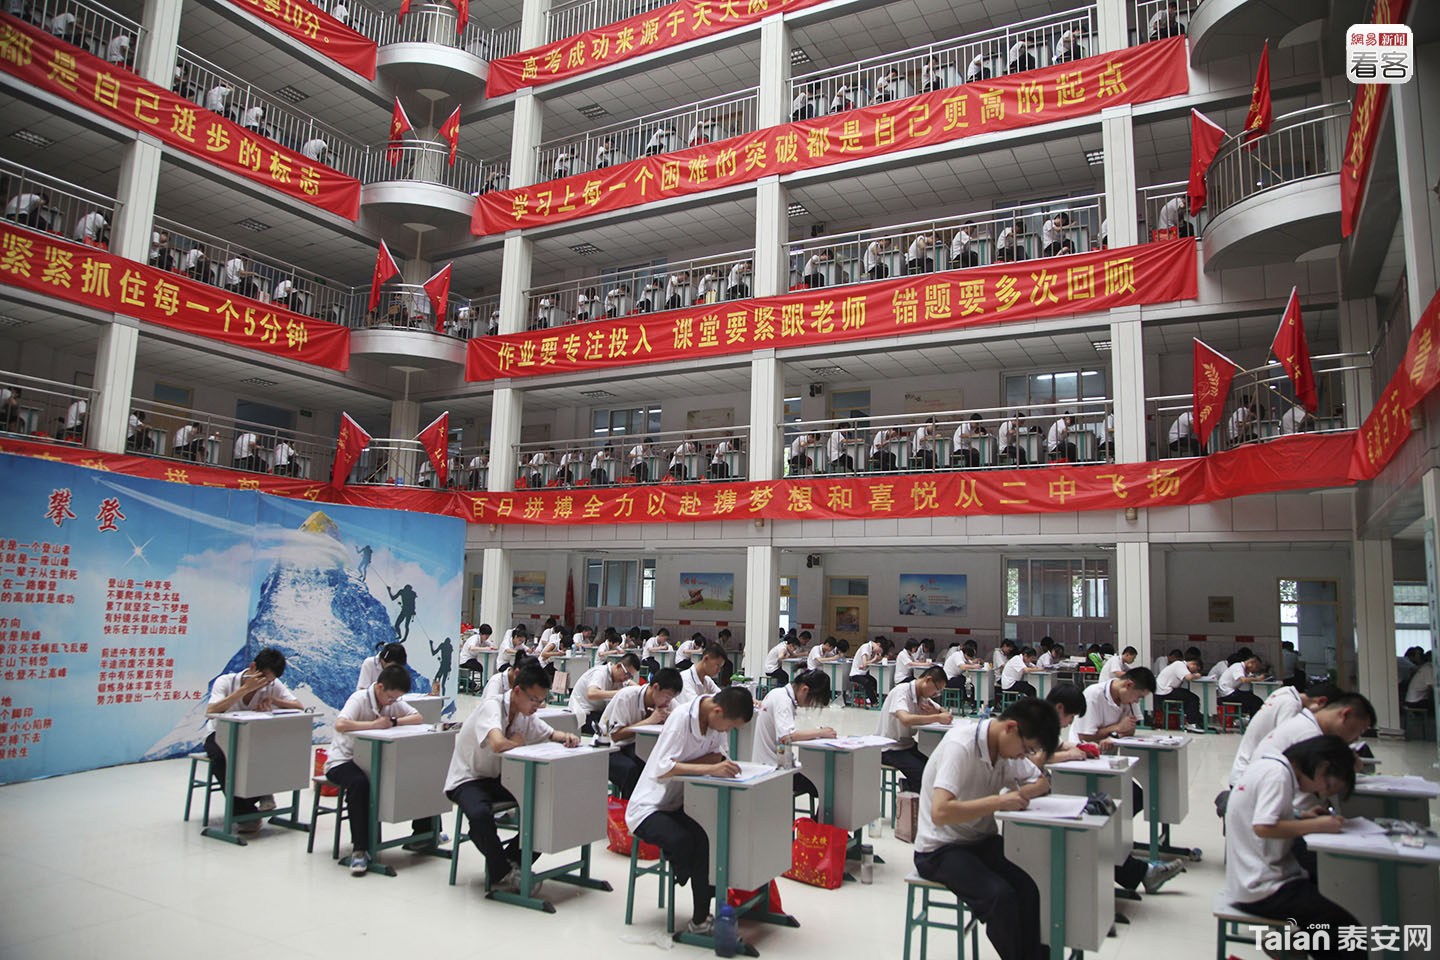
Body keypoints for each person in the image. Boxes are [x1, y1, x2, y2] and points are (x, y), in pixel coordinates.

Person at [913, 698, 1059, 960]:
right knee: (1000, 898)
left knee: (1028, 890)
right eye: (1026, 749)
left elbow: (1041, 781)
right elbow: (940, 812)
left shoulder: (1005, 748)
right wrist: (1000, 801)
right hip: (940, 849)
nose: (1022, 756)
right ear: (1010, 727)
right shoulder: (961, 746)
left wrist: (1020, 794)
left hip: (981, 841)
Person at [626, 687, 754, 937]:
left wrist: (702, 765)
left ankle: (699, 919)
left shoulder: (715, 724)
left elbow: (718, 758)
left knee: (706, 840)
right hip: (648, 807)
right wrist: (706, 766)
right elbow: (663, 769)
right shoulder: (681, 719)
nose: (727, 732)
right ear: (718, 711)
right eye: (729, 726)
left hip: (677, 804)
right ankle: (685, 873)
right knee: (684, 842)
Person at [1223, 735, 1363, 960]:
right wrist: (1317, 825)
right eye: (1327, 785)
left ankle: (1292, 945)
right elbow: (1263, 827)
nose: (1321, 793)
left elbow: (1263, 814)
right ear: (1321, 767)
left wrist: (1301, 816)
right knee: (1346, 929)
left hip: (1250, 879)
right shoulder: (1278, 775)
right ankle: (1292, 945)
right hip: (1263, 888)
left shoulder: (1270, 766)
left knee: (1331, 900)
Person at [445, 664, 581, 893]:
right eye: (534, 700)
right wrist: (517, 742)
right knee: (479, 815)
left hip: (495, 779)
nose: (537, 706)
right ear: (517, 691)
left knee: (545, 804)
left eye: (541, 701)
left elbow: (549, 733)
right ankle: (503, 871)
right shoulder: (493, 706)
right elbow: (497, 744)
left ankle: (507, 861)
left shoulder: (525, 713)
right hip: (467, 779)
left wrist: (566, 737)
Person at [1046, 686, 1187, 895]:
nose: (1070, 723)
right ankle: (1141, 873)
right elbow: (1037, 757)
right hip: (1042, 792)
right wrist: (1070, 754)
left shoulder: (1045, 723)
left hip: (1049, 787)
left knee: (1105, 815)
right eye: (1071, 717)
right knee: (1091, 824)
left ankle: (1140, 871)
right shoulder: (1036, 722)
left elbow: (1058, 745)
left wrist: (1078, 748)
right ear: (1059, 708)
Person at [326, 664, 431, 874]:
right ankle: (360, 849)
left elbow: (418, 717)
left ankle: (425, 834)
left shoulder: (393, 701)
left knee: (416, 772)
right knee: (359, 784)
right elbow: (341, 724)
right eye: (390, 698)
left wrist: (393, 721)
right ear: (380, 687)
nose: (392, 702)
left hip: (371, 760)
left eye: (396, 699)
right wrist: (372, 725)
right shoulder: (359, 699)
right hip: (344, 760)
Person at [203, 647, 302, 832]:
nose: (264, 684)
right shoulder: (225, 681)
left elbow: (298, 706)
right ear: (252, 667)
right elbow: (211, 711)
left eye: (269, 681)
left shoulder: (272, 685)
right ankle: (244, 813)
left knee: (269, 751)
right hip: (219, 732)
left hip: (252, 735)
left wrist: (274, 701)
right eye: (262, 678)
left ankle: (262, 793)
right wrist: (244, 690)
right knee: (221, 758)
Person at [1226, 682, 1345, 791]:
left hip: (1243, 770)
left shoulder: (1284, 694)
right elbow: (1288, 746)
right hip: (1248, 777)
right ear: (1321, 702)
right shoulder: (1291, 705)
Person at [753, 670, 835, 808]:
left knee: (822, 785)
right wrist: (820, 732)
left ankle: (815, 821)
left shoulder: (779, 694)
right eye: (811, 702)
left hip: (775, 764)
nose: (809, 706)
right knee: (827, 790)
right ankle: (816, 822)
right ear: (804, 690)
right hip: (773, 770)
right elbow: (786, 737)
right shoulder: (783, 700)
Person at [600, 666, 682, 797]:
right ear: (655, 687)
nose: (668, 702)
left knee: (650, 764)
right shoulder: (626, 696)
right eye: (667, 697)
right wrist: (650, 721)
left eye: (671, 698)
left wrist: (671, 718)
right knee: (630, 770)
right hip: (608, 748)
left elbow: (682, 717)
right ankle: (629, 806)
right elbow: (615, 735)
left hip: (633, 746)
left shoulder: (666, 701)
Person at [879, 666, 952, 791]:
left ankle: (909, 786)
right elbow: (905, 719)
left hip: (907, 745)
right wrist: (937, 717)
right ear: (928, 680)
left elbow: (945, 713)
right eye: (936, 690)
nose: (936, 694)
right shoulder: (902, 691)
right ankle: (909, 791)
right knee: (922, 775)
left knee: (933, 770)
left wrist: (937, 712)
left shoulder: (923, 697)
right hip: (889, 747)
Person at [1071, 667, 1157, 747]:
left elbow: (1130, 730)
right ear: (1128, 685)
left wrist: (1115, 737)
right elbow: (1084, 736)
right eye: (1138, 697)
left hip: (1108, 752)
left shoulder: (1129, 697)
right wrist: (1117, 728)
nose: (1137, 701)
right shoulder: (1093, 695)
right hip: (1082, 751)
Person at [570, 653, 639, 732]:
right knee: (613, 730)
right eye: (627, 674)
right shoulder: (600, 673)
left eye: (630, 677)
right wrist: (620, 693)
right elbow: (592, 694)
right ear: (619, 666)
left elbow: (634, 687)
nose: (627, 678)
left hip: (598, 712)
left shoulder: (621, 678)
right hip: (583, 714)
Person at [1153, 652, 1206, 733]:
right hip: (1164, 692)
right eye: (1196, 670)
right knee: (1193, 698)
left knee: (1187, 695)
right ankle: (1191, 723)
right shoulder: (1180, 665)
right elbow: (1188, 677)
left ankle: (1194, 720)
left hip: (1164, 690)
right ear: (1194, 665)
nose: (1193, 672)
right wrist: (1197, 675)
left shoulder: (1179, 665)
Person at [849, 635, 886, 704]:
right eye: (879, 651)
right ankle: (874, 702)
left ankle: (875, 698)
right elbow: (864, 663)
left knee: (874, 681)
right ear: (878, 645)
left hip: (863, 673)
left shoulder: (872, 651)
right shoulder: (865, 647)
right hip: (855, 674)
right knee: (867, 682)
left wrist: (877, 660)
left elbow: (866, 665)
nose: (879, 653)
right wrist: (874, 659)